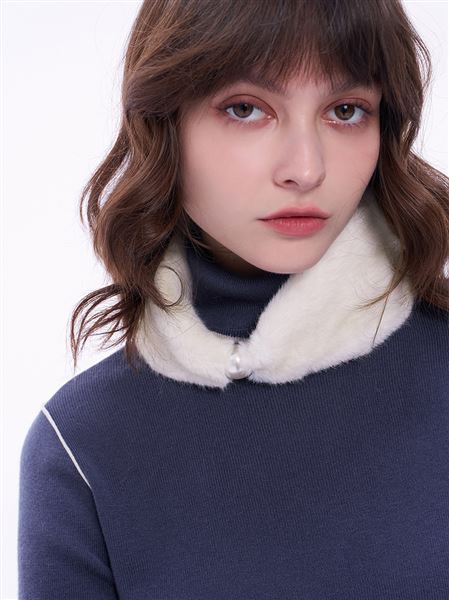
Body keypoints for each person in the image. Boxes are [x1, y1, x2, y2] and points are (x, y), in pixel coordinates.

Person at [18, 0, 449, 598]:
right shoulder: (82, 444)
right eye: (246, 109)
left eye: (346, 110)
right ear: (165, 123)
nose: (306, 169)